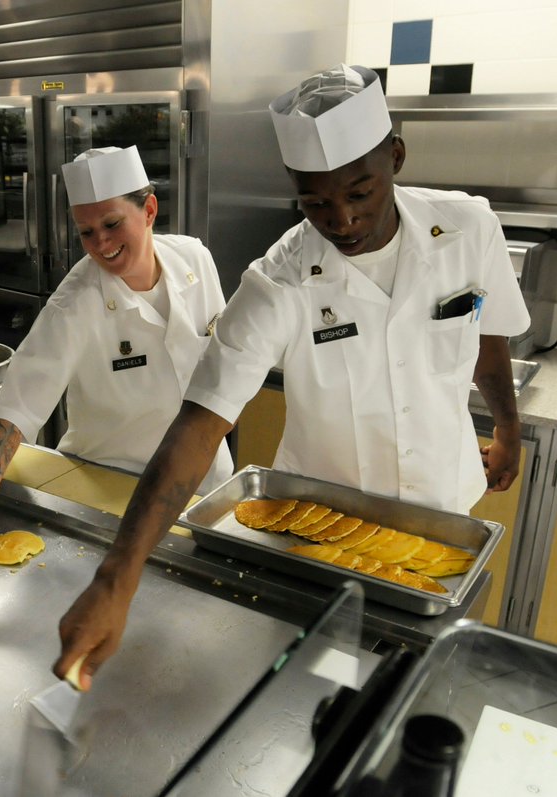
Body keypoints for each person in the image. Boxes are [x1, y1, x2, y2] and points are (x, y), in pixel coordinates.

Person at [52, 65, 531, 690]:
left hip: (441, 516)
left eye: (360, 193)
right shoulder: (281, 278)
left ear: (396, 156)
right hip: (317, 536)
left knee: (420, 692)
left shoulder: (468, 228)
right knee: (314, 693)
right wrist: (116, 579)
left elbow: (486, 337)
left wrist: (508, 427)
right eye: (316, 203)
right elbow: (201, 422)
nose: (342, 221)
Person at [0, 145, 233, 567]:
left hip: (207, 482)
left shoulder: (195, 260)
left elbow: (222, 354)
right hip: (110, 488)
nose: (101, 243)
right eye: (87, 232)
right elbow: (18, 403)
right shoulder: (75, 303)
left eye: (112, 224)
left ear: (149, 210)